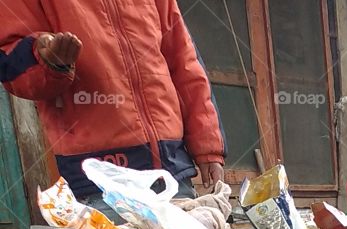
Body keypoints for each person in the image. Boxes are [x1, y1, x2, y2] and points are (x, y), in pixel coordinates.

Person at [1, 1, 225, 207]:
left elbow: (184, 61)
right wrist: (48, 60)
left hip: (171, 175)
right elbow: (11, 64)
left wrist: (208, 148)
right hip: (99, 186)